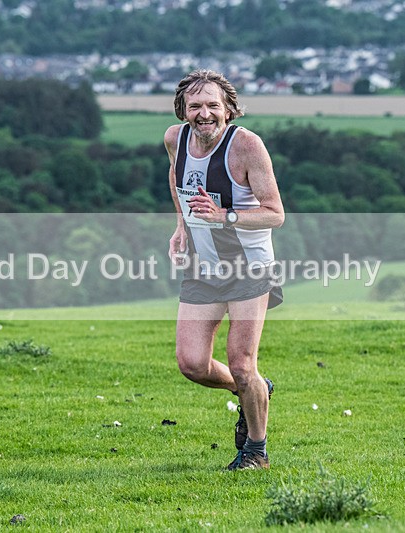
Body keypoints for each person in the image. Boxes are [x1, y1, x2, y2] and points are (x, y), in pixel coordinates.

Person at [165, 69, 285, 470]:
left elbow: (275, 214)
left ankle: (256, 451)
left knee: (241, 363)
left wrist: (223, 216)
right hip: (203, 266)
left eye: (213, 105)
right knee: (192, 364)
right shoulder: (175, 139)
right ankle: (255, 391)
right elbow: (177, 178)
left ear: (229, 109)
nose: (204, 114)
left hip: (250, 268)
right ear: (183, 110)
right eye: (195, 106)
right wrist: (181, 225)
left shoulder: (247, 146)